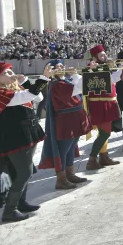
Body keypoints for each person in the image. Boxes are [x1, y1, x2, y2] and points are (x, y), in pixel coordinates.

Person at [0, 62, 52, 222]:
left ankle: (21, 203)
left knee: (21, 172)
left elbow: (38, 97)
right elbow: (28, 96)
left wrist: (24, 81)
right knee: (24, 172)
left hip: (27, 133)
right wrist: (44, 77)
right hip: (14, 137)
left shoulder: (15, 88)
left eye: (12, 72)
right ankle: (10, 210)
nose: (12, 75)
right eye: (7, 73)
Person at [38, 60, 92, 189]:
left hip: (75, 118)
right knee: (63, 150)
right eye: (59, 66)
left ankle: (70, 173)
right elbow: (83, 86)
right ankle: (61, 178)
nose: (62, 67)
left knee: (71, 148)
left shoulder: (66, 81)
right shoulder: (57, 84)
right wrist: (75, 75)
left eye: (63, 65)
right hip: (66, 122)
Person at [85, 45, 123, 170]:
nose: (105, 57)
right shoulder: (91, 69)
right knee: (104, 133)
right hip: (100, 105)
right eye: (102, 55)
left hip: (108, 103)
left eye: (104, 54)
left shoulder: (103, 67)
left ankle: (103, 156)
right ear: (94, 58)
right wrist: (121, 69)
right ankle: (92, 159)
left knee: (106, 132)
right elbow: (113, 79)